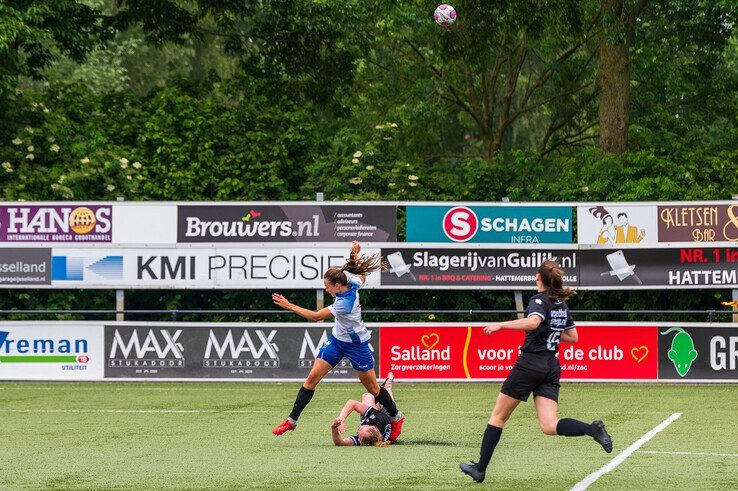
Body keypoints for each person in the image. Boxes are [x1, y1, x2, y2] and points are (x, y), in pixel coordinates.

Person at [460, 260, 612, 483]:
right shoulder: (560, 304)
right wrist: (549, 329)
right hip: (551, 365)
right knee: (549, 425)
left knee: (498, 417)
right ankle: (592, 430)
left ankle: (480, 469)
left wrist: (500, 325)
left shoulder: (539, 300)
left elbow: (532, 323)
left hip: (530, 364)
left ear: (539, 278)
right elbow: (573, 337)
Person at [271, 241, 405, 440]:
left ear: (337, 285)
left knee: (373, 389)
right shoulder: (352, 283)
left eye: (327, 286)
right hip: (336, 341)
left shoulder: (346, 301)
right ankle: (292, 421)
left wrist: (289, 305)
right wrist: (354, 254)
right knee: (311, 379)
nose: (326, 290)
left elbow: (316, 317)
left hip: (357, 346)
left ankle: (396, 417)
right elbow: (360, 274)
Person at [331, 372, 397, 447]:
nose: (358, 429)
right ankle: (387, 386)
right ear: (372, 427)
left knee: (367, 396)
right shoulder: (377, 418)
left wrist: (334, 429)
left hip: (376, 420)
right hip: (388, 416)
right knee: (376, 397)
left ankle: (383, 392)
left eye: (358, 433)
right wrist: (341, 419)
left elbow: (340, 443)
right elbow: (352, 403)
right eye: (360, 429)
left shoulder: (363, 439)